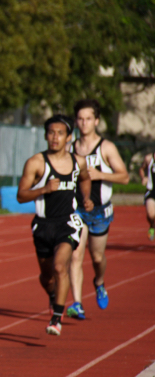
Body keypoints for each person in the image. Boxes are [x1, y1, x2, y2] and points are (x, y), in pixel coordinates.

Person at [17, 115, 93, 335]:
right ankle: (53, 295)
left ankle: (56, 319)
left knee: (61, 266)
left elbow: (85, 178)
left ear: (69, 137)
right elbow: (21, 195)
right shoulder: (36, 163)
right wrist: (44, 189)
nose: (55, 137)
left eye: (60, 133)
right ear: (45, 135)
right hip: (43, 225)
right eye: (51, 133)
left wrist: (86, 197)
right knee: (47, 276)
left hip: (68, 223)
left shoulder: (78, 162)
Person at [66, 100, 129, 320]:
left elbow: (124, 176)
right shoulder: (70, 147)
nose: (84, 123)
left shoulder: (106, 147)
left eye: (88, 119)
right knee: (75, 255)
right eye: (80, 119)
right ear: (76, 121)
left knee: (97, 256)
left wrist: (101, 175)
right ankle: (77, 303)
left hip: (100, 212)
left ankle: (99, 282)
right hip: (77, 210)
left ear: (97, 121)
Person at [139, 152, 155, 241]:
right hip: (151, 191)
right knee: (151, 214)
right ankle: (152, 225)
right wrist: (143, 178)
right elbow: (141, 169)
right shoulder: (149, 158)